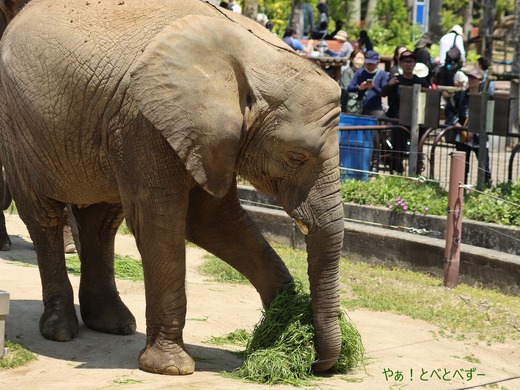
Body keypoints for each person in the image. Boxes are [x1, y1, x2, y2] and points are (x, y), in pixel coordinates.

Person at [381, 50, 430, 174]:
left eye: (411, 61)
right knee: (397, 151)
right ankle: (396, 175)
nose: (408, 64)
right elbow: (383, 93)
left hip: (417, 122)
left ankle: (416, 175)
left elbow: (429, 100)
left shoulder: (422, 82)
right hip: (398, 121)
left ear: (415, 64)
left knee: (417, 151)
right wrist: (389, 85)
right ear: (401, 63)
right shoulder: (395, 81)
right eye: (405, 62)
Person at [444, 68, 492, 186]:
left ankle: (484, 190)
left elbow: (489, 117)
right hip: (462, 137)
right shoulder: (460, 95)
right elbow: (449, 110)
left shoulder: (486, 98)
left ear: (480, 80)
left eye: (474, 78)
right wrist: (458, 126)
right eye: (469, 77)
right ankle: (460, 191)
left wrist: (474, 131)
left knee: (484, 167)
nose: (471, 80)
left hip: (479, 137)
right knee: (462, 167)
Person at [348, 50, 389, 171]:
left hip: (376, 110)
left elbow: (384, 92)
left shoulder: (382, 75)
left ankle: (374, 166)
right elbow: (350, 87)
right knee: (360, 138)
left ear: (378, 62)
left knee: (375, 140)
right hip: (362, 110)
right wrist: (359, 88)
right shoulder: (360, 73)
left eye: (372, 63)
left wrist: (373, 87)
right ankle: (359, 164)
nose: (370, 65)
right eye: (368, 63)